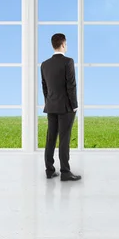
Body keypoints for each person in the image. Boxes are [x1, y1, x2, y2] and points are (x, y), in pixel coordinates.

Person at [41, 33, 81, 182]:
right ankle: (65, 172)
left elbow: (44, 87)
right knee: (64, 139)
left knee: (50, 138)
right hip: (66, 107)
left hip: (50, 105)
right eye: (66, 44)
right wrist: (74, 105)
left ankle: (49, 170)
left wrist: (48, 101)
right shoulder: (68, 62)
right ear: (63, 44)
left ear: (53, 45)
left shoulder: (45, 64)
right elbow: (71, 85)